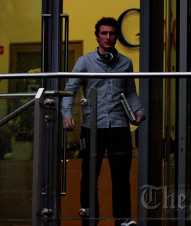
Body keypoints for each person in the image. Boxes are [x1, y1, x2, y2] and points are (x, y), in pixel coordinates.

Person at [61, 17, 146, 226]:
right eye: (104, 33)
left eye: (112, 33)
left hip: (119, 127)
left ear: (117, 36)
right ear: (97, 36)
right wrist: (66, 114)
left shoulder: (126, 62)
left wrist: (139, 110)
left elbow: (130, 91)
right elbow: (69, 90)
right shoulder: (84, 61)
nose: (108, 37)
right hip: (92, 128)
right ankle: (90, 221)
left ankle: (123, 221)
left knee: (121, 178)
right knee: (89, 177)